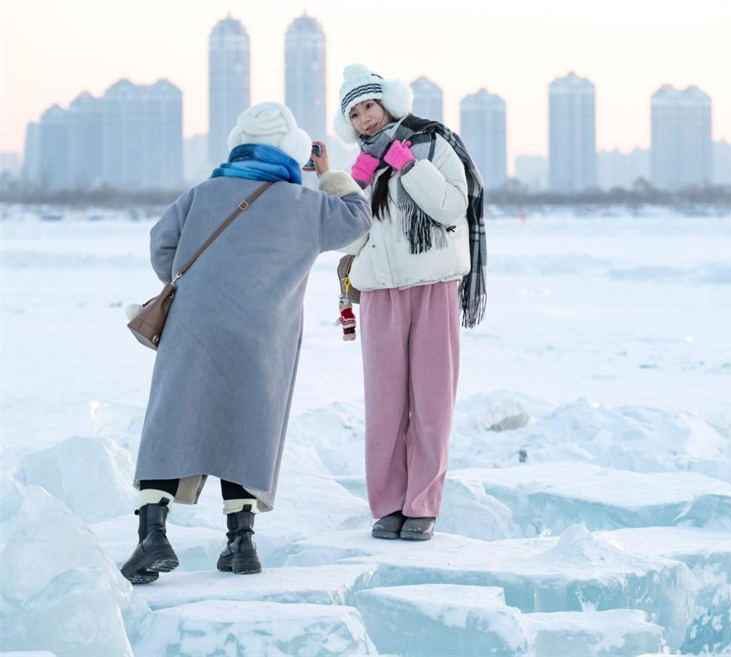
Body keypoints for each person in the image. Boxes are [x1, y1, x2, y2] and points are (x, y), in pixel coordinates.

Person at [121, 102, 371, 584]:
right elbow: (358, 221)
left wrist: (197, 283)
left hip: (193, 327)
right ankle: (242, 544)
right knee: (249, 427)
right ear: (293, 149)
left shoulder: (201, 194)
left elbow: (161, 245)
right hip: (263, 337)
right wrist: (327, 173)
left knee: (172, 421)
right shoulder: (306, 205)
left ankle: (152, 536)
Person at [333, 65, 486, 542]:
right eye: (355, 114)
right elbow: (349, 238)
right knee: (384, 406)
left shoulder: (433, 144)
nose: (365, 118)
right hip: (380, 293)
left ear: (388, 103)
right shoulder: (361, 166)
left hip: (433, 285)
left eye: (369, 106)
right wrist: (348, 187)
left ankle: (421, 505)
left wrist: (408, 166)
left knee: (432, 402)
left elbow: (451, 206)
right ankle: (388, 505)